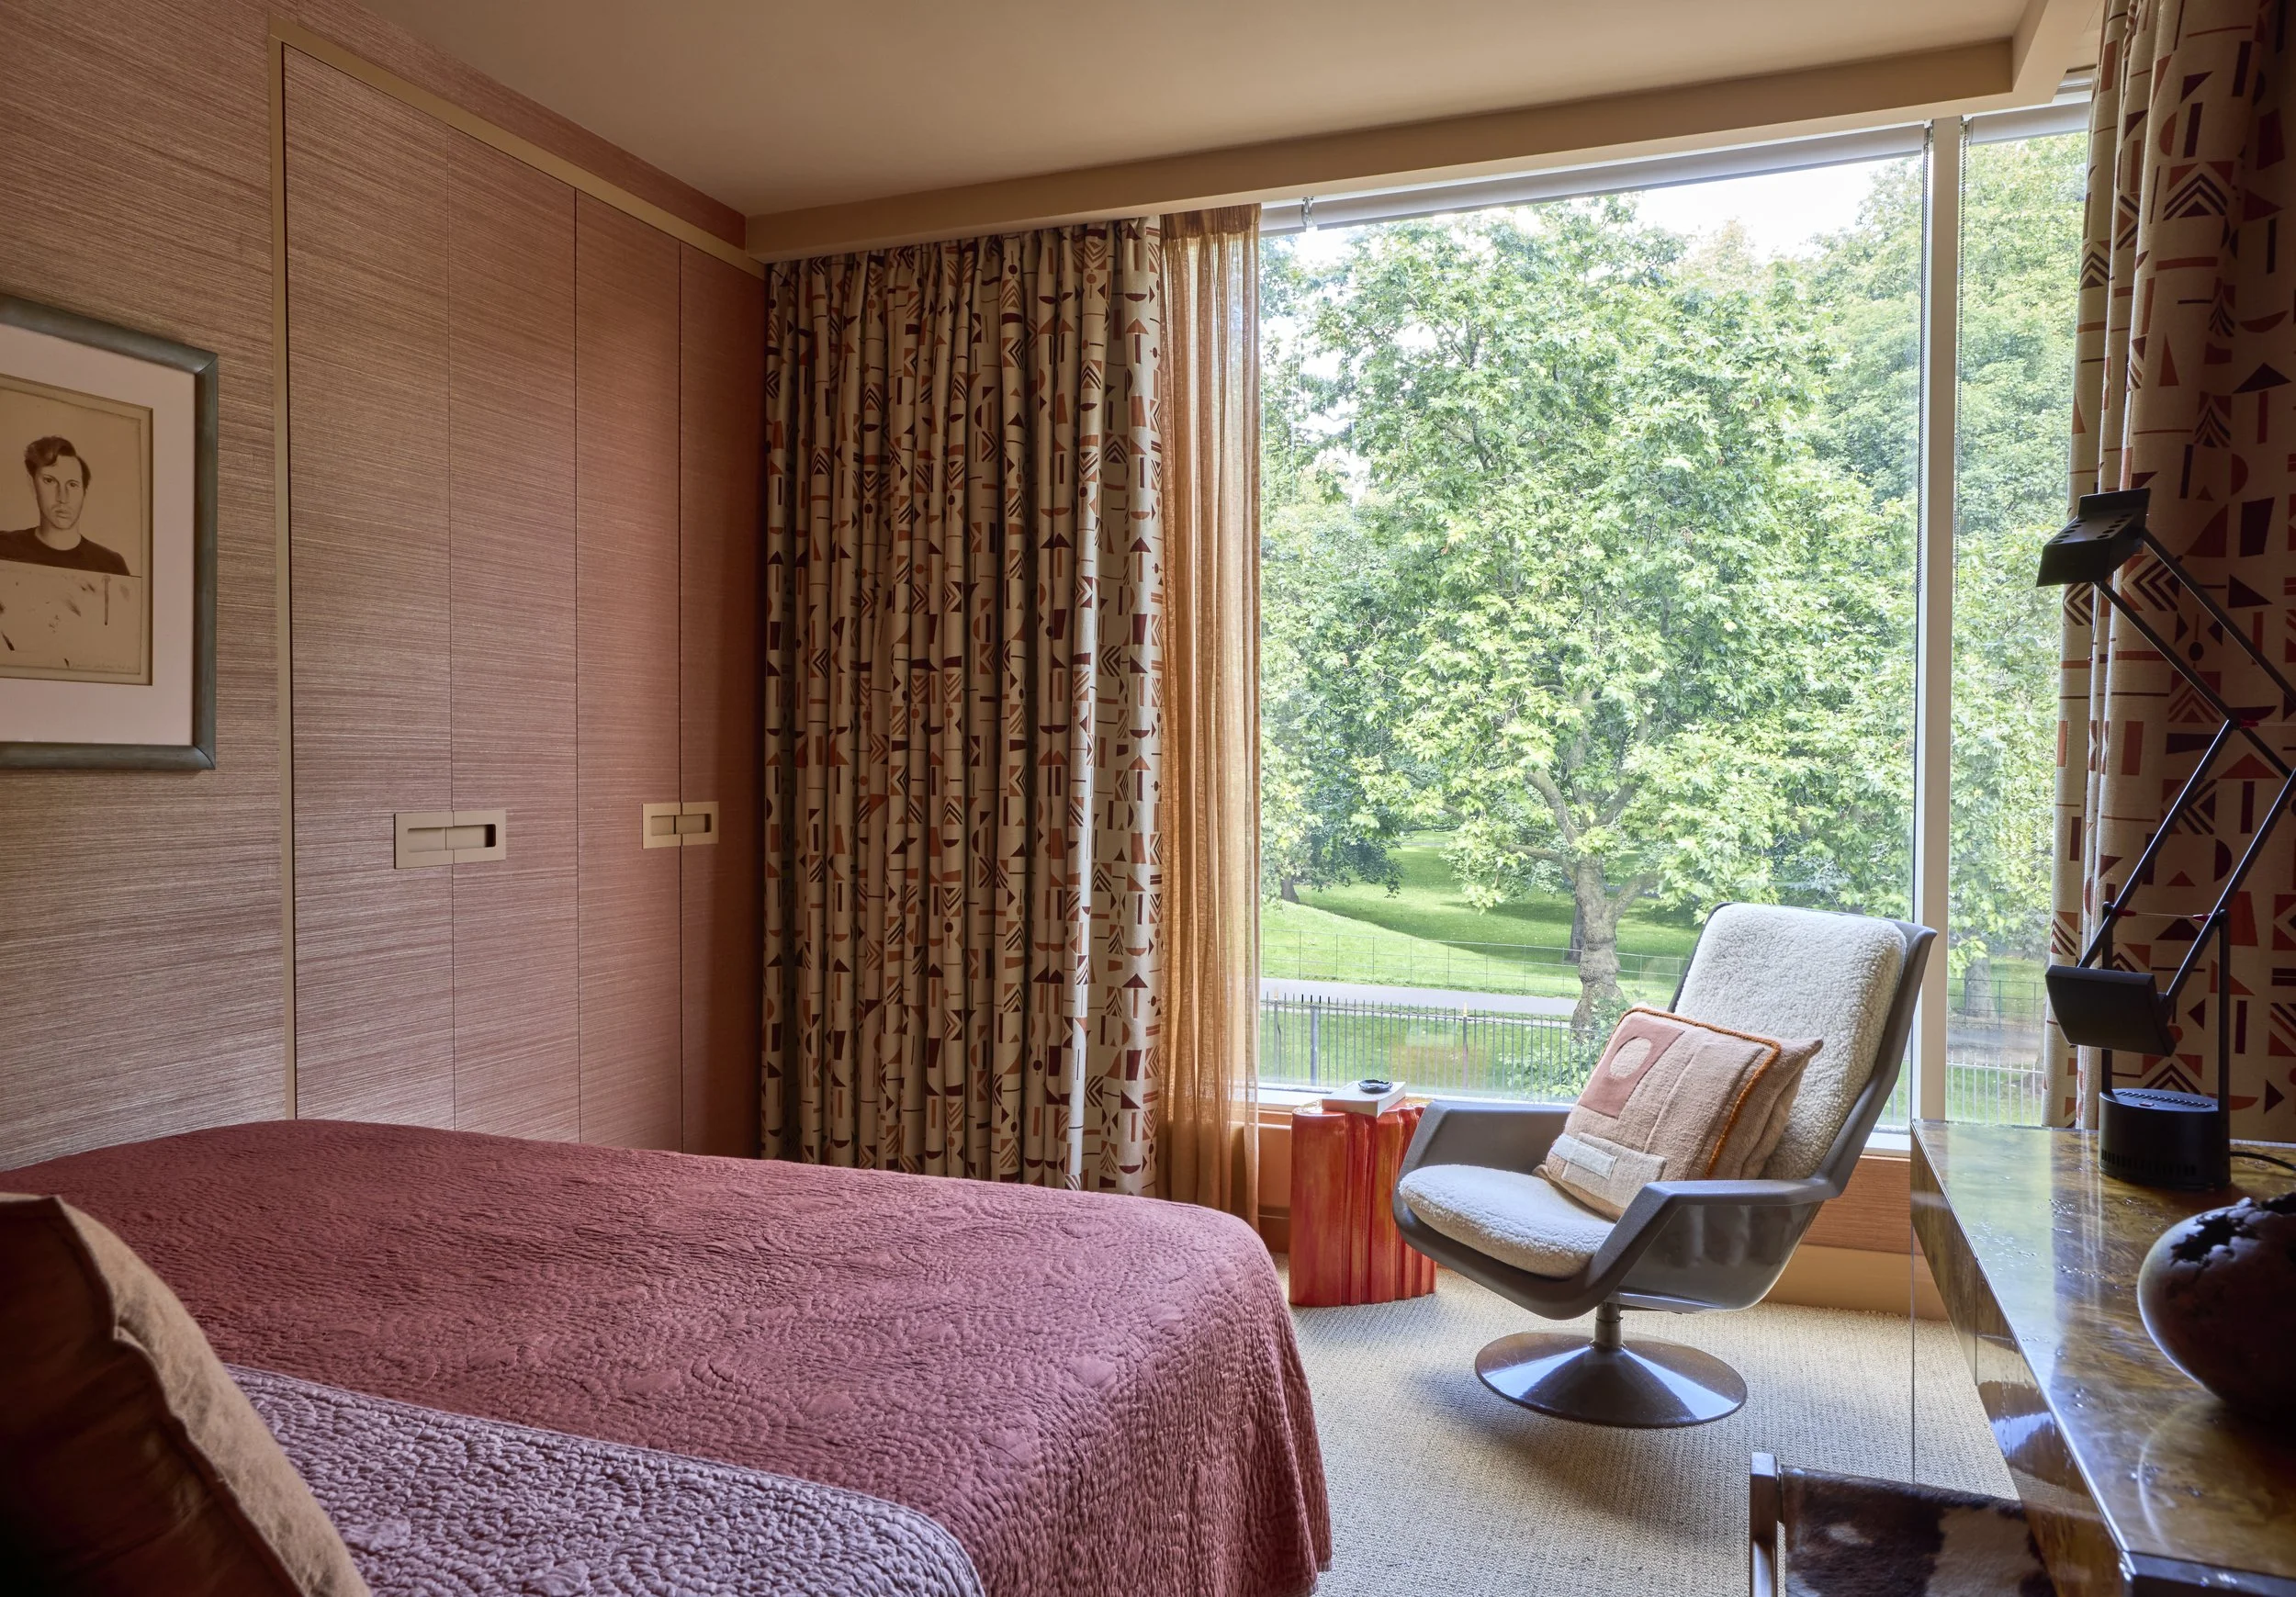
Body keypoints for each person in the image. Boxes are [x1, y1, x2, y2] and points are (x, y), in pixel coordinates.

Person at [0, 435, 129, 574]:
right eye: (50, 481)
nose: (62, 497)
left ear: (84, 492)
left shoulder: (111, 565)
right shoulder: (5, 546)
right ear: (32, 484)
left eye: (73, 485)